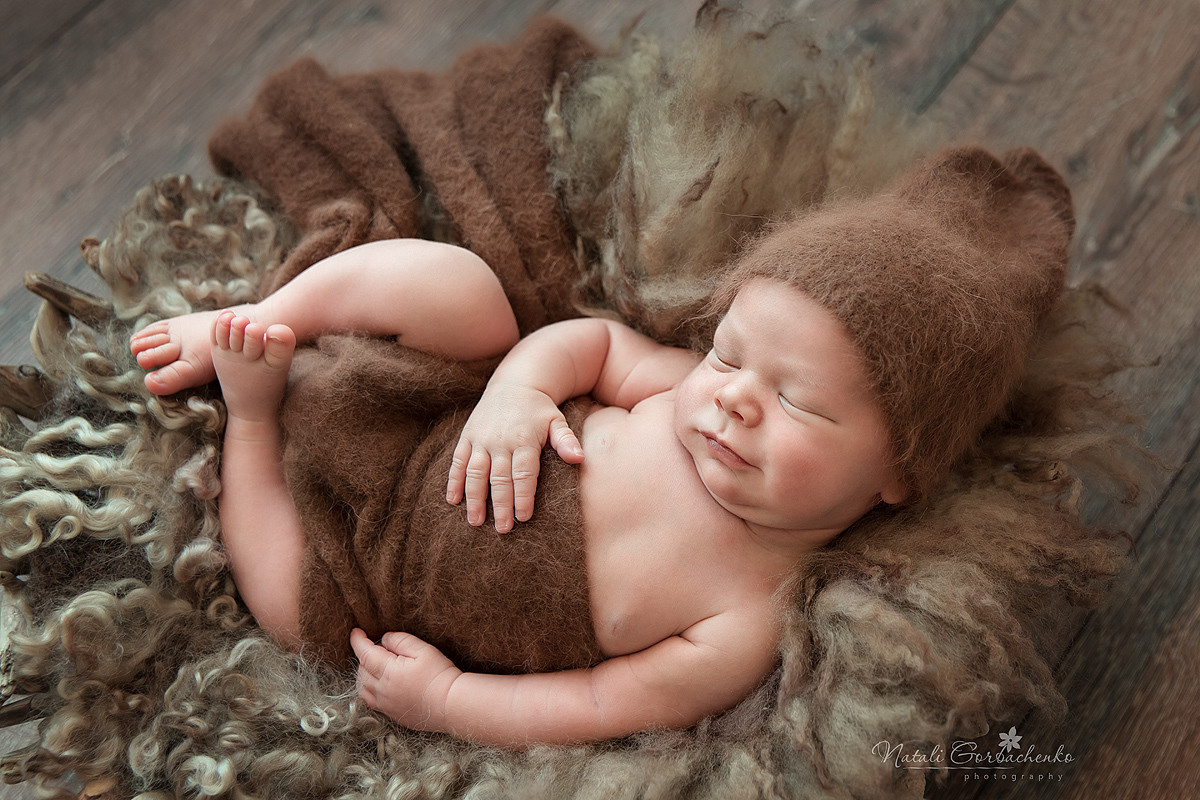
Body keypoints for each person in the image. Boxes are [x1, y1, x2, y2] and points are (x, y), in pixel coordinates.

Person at [129, 145, 1073, 748]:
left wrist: (453, 703)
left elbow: (595, 703)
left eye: (797, 402)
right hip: (428, 417)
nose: (734, 399)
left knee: (299, 618)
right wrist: (517, 390)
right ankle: (267, 321)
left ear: (899, 474)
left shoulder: (747, 613)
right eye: (730, 354)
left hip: (378, 578)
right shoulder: (676, 391)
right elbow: (593, 342)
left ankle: (249, 416)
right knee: (462, 291)